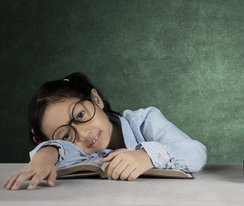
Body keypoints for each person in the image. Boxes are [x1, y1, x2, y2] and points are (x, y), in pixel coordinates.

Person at [3, 72, 207, 190]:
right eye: (66, 135)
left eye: (81, 116)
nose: (83, 135)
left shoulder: (145, 120)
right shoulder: (78, 151)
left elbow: (196, 152)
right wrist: (44, 156)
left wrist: (147, 157)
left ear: (96, 100)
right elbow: (60, 150)